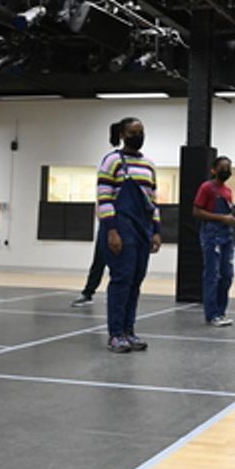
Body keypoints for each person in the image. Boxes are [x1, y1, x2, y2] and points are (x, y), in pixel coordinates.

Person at [97, 117, 162, 353]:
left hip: (143, 227)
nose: (139, 135)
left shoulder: (149, 164)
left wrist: (156, 230)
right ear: (123, 135)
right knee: (122, 279)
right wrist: (112, 231)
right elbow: (104, 197)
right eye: (134, 132)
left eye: (141, 131)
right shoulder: (112, 160)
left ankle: (129, 331)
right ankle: (115, 334)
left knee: (136, 281)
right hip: (120, 226)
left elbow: (153, 201)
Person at [193, 156, 235, 327]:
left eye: (228, 167)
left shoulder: (228, 191)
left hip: (227, 236)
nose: (226, 170)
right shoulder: (206, 188)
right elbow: (196, 211)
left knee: (227, 275)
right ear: (213, 170)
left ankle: (221, 311)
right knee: (213, 275)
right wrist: (221, 218)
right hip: (212, 235)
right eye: (222, 167)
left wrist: (228, 220)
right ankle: (211, 314)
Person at [70, 231, 108, 307]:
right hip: (106, 229)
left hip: (125, 229)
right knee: (98, 263)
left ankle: (116, 295)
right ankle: (87, 294)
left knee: (120, 267)